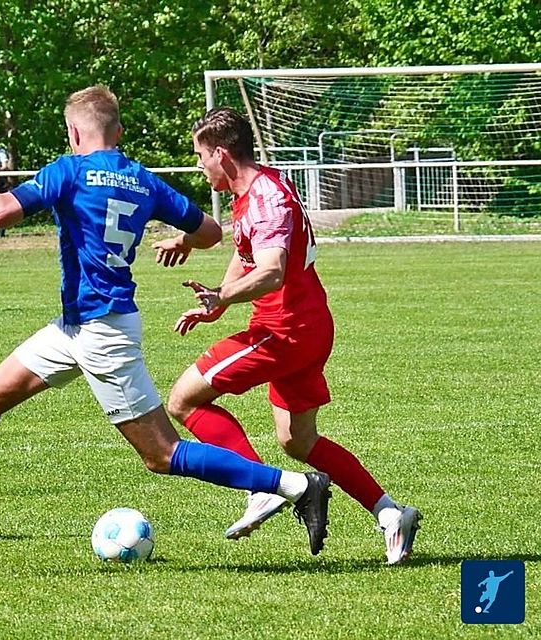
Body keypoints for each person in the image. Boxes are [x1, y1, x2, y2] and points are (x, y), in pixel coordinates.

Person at [0, 86, 333, 556]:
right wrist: (185, 241)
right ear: (119, 132)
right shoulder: (142, 179)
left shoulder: (70, 170)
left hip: (104, 332)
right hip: (75, 327)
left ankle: (293, 485)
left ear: (72, 132)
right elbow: (210, 231)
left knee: (161, 454)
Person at [158, 107, 421, 565]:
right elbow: (247, 253)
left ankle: (262, 488)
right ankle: (390, 512)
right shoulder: (255, 190)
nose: (199, 166)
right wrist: (219, 301)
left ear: (222, 153)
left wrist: (223, 294)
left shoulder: (264, 198)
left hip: (283, 331)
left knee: (182, 401)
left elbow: (272, 271)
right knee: (298, 441)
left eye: (201, 156)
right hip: (307, 328)